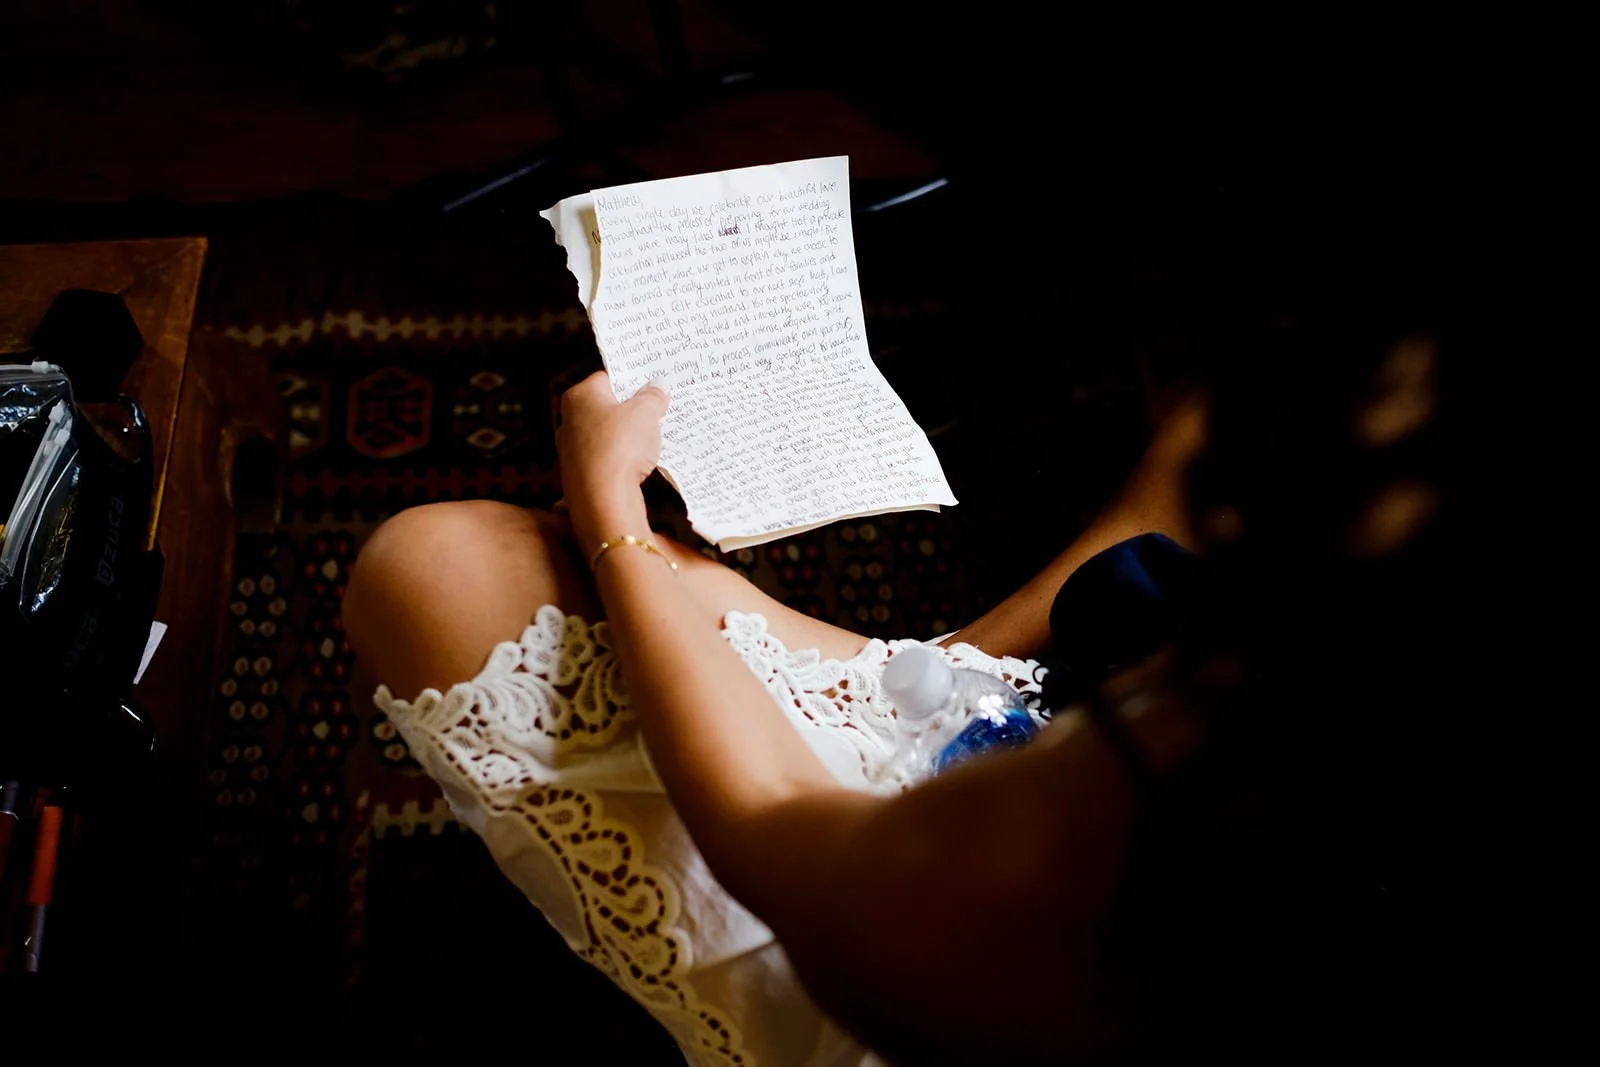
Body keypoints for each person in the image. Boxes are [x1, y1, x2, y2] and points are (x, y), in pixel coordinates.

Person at [343, 284, 1456, 1063]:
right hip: (1022, 815)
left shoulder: (1093, 878)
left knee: (431, 568)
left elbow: (771, 816)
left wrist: (612, 518)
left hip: (876, 925)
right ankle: (954, 668)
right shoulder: (1329, 683)